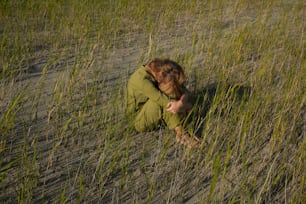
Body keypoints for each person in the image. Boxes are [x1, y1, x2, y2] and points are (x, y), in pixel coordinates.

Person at [126, 58, 201, 148]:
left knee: (171, 92)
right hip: (138, 120)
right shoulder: (140, 79)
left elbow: (185, 91)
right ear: (161, 74)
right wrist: (185, 105)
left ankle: (180, 125)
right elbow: (164, 102)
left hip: (151, 111)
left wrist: (181, 103)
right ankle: (181, 133)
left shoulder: (157, 69)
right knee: (166, 98)